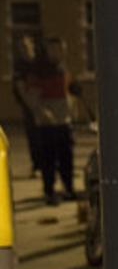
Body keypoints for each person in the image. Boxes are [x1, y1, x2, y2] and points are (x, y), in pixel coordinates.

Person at [18, 36, 80, 204]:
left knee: (66, 157)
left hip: (63, 121)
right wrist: (42, 113)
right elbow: (32, 96)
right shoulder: (39, 70)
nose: (61, 52)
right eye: (57, 49)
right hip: (47, 124)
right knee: (49, 159)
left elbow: (68, 93)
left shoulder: (63, 69)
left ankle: (68, 188)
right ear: (49, 50)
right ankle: (49, 191)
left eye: (62, 49)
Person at [12, 34, 41, 178]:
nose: (23, 49)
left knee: (49, 136)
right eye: (20, 47)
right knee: (34, 137)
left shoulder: (40, 63)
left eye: (25, 46)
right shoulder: (20, 67)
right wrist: (30, 106)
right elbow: (19, 88)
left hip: (45, 104)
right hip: (29, 108)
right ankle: (37, 165)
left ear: (32, 45)